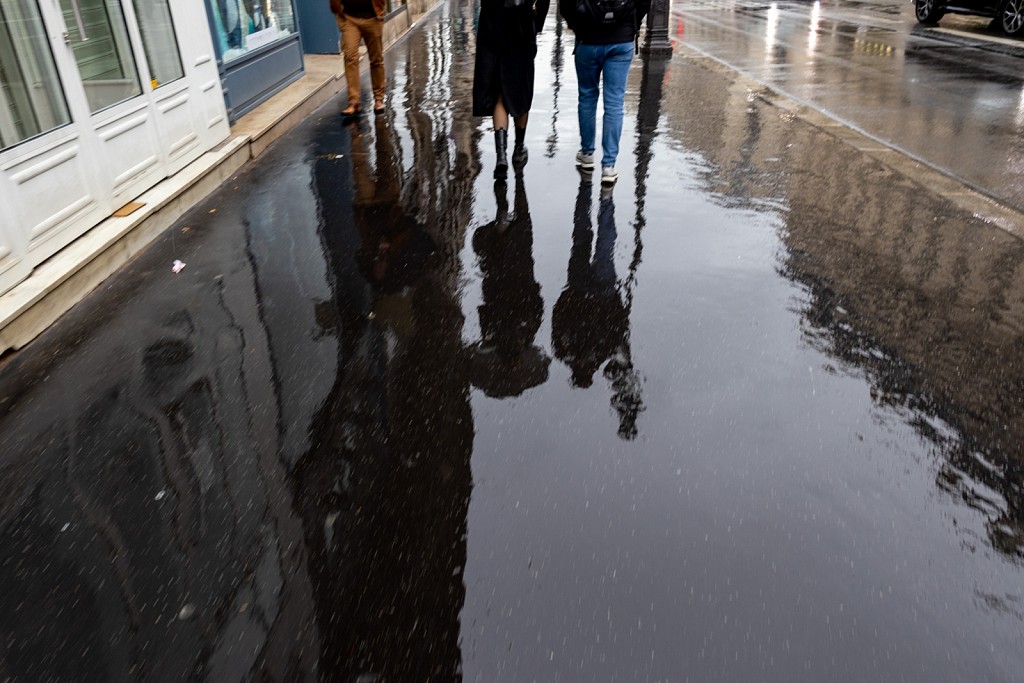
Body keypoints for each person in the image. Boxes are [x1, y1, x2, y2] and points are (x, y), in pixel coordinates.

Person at [559, 0, 650, 186]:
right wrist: (632, 24)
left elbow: (566, 6)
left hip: (588, 38)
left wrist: (577, 26)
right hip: (621, 39)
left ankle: (587, 153)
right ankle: (609, 165)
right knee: (615, 103)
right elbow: (644, 3)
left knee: (587, 97)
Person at [472, 0, 551, 179]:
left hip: (492, 25)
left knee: (499, 95)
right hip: (521, 24)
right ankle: (518, 148)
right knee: (521, 89)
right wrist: (536, 22)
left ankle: (501, 156)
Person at [330, 0, 387, 117]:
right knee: (350, 57)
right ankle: (354, 101)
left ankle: (378, 99)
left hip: (373, 17)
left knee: (376, 60)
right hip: (349, 18)